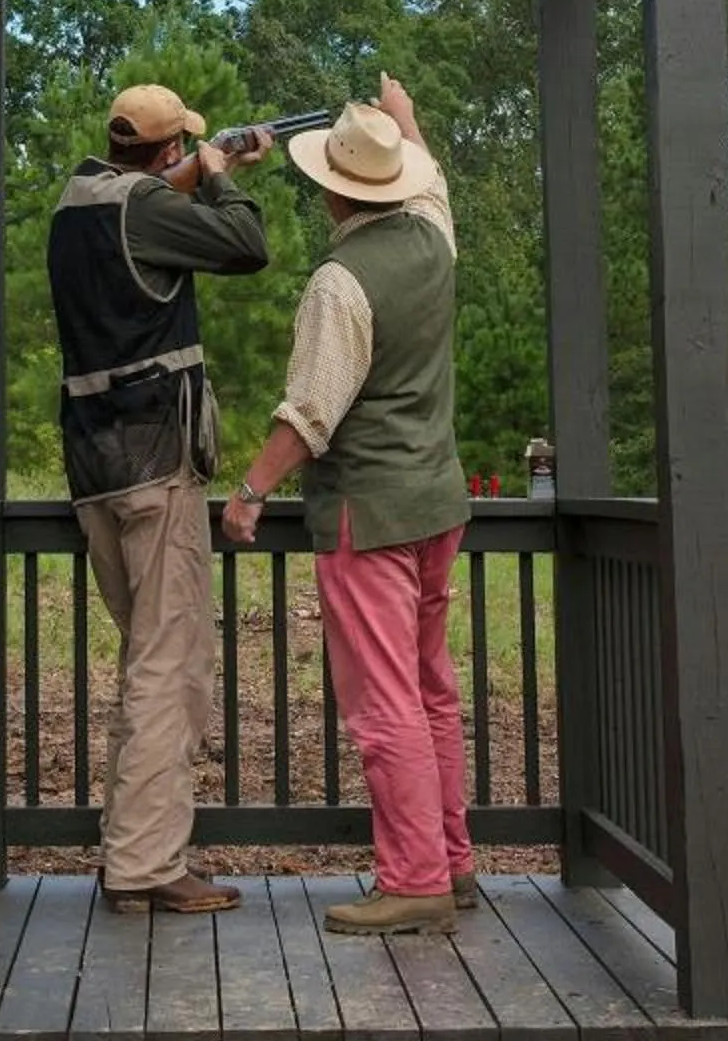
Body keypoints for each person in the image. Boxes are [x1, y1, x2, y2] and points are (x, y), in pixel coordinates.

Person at [220, 76, 472, 936]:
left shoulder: (340, 281)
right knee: (432, 691)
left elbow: (309, 414)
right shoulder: (435, 235)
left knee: (384, 704)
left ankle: (413, 879)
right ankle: (452, 862)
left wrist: (250, 492)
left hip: (368, 512)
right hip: (438, 501)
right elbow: (430, 172)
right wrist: (403, 116)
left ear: (334, 189)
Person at [47, 83, 274, 914]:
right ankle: (144, 869)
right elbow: (249, 245)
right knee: (164, 670)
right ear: (170, 149)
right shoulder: (147, 205)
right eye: (186, 147)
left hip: (95, 466)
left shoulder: (78, 200)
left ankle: (135, 853)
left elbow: (135, 205)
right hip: (154, 464)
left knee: (148, 662)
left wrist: (197, 171)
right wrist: (222, 177)